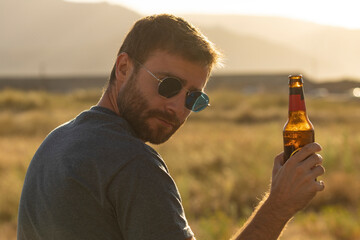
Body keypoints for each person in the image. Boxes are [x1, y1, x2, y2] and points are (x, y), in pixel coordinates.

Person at [17, 14, 325, 240]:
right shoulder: (132, 163)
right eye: (168, 85)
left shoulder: (55, 141)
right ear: (124, 68)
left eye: (194, 97)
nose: (177, 107)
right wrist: (278, 206)